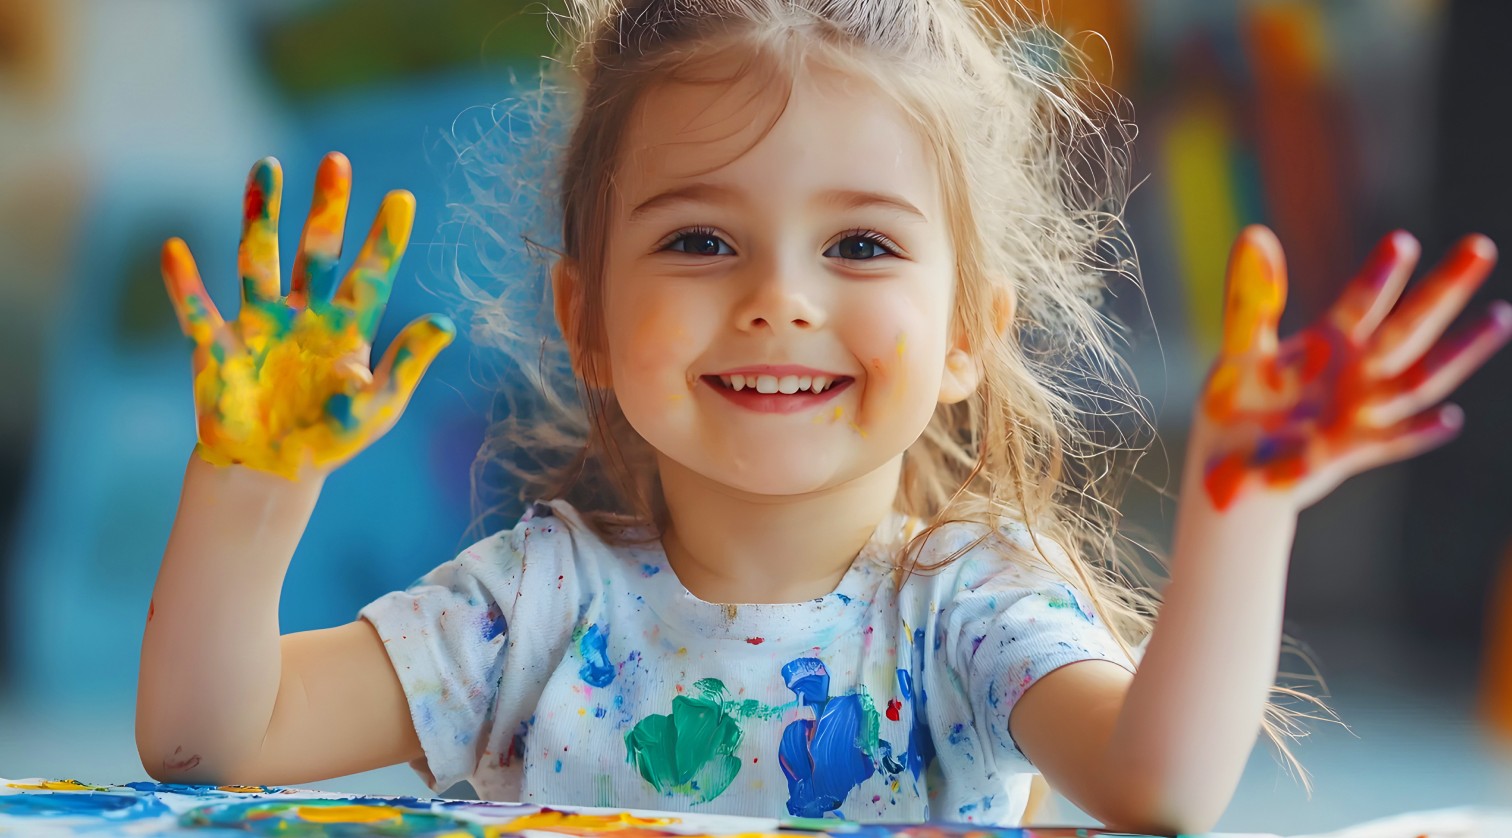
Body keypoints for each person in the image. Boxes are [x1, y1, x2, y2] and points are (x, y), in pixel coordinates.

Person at [134, 0, 1512, 831]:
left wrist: (1241, 505)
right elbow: (210, 742)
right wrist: (249, 486)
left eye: (858, 246)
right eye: (697, 242)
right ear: (585, 319)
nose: (780, 299)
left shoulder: (969, 607)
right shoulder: (523, 606)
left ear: (972, 331)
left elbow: (1161, 782)